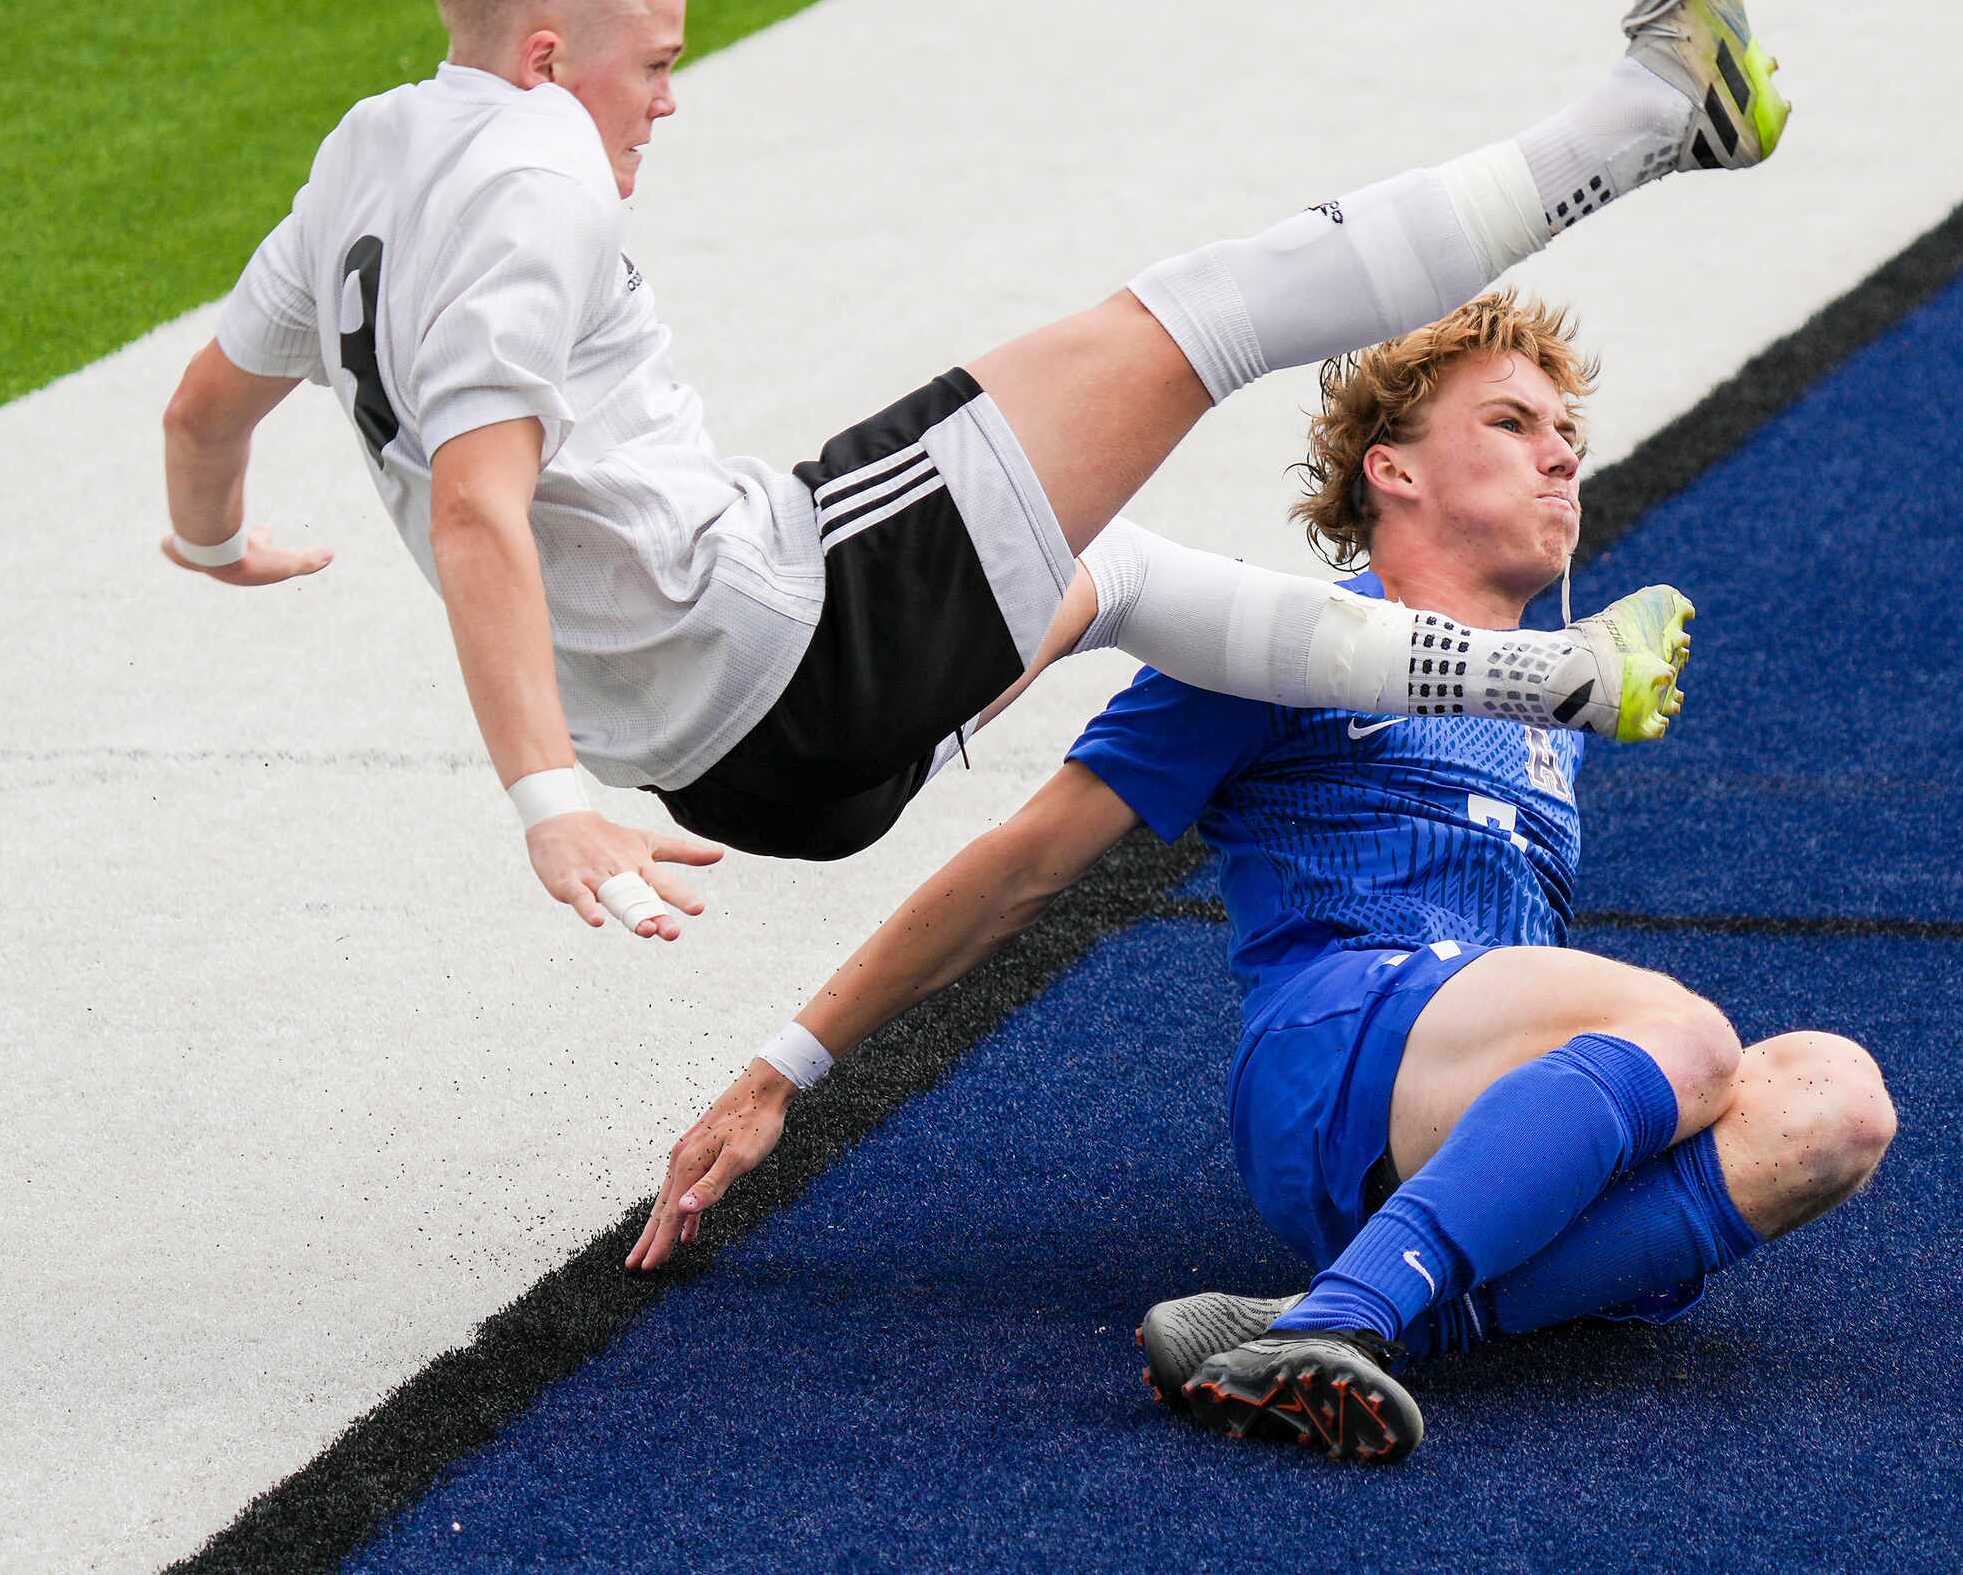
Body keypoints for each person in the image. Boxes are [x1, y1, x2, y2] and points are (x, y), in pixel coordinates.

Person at [156, 0, 1789, 940]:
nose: (667, 96)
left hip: (751, 778)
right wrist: (542, 804)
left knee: (1114, 578)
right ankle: (1659, 105)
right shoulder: (537, 176)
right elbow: (476, 508)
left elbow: (203, 412)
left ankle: (1560, 680)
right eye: (648, 60)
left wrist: (218, 541)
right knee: (1205, 315)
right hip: (793, 641)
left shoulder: (365, 158)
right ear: (538, 56)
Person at [625, 295, 1896, 1463]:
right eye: (1510, 423)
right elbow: (1022, 869)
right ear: (1389, 471)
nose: (1560, 451)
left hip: (1478, 1082)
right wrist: (781, 1072)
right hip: (1337, 1050)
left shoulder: (1548, 701)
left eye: (1566, 429)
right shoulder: (1276, 645)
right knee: (1686, 1035)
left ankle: (1328, 1316)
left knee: (1834, 1106)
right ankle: (1348, 1315)